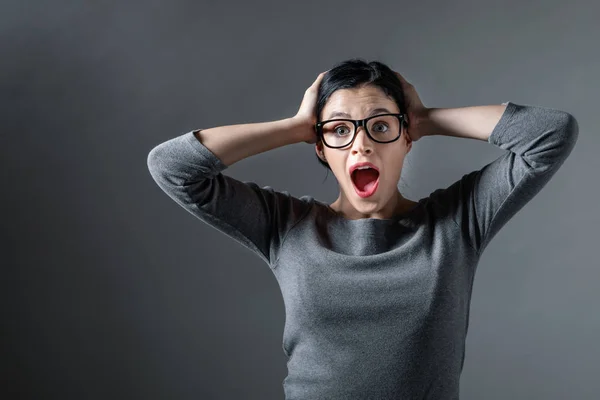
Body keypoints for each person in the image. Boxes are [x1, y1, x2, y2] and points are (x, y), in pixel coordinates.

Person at [147, 59, 579, 399]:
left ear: (405, 137)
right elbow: (172, 167)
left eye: (380, 126)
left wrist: (426, 118)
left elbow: (551, 134)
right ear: (320, 147)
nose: (361, 142)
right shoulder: (287, 226)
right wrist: (295, 127)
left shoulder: (456, 222)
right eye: (339, 129)